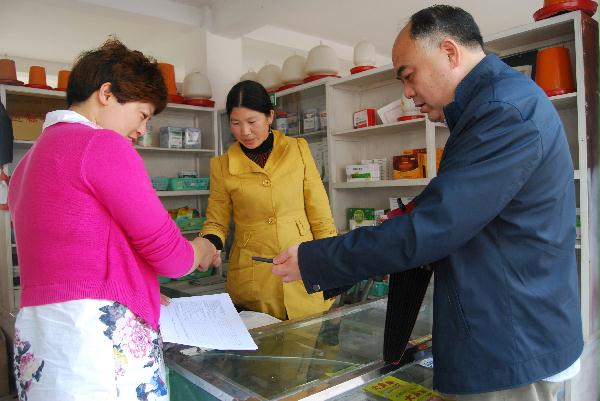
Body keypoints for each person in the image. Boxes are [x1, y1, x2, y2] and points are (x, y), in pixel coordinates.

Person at [272, 5, 583, 401]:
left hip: (511, 345)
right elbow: (444, 209)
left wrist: (316, 259)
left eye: (409, 75)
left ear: (449, 53)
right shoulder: (494, 104)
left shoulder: (502, 112)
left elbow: (435, 227)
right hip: (510, 330)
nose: (407, 93)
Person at [8, 38, 218, 401]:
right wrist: (199, 249)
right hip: (96, 347)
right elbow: (171, 255)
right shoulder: (101, 145)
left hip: (43, 340)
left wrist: (137, 284)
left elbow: (77, 256)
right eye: (143, 115)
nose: (142, 130)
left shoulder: (27, 164)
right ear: (106, 93)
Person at [201, 80, 336, 320]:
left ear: (270, 116)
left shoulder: (298, 149)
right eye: (235, 123)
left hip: (304, 267)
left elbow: (320, 213)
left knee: (311, 339)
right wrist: (209, 244)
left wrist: (331, 260)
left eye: (252, 122)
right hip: (254, 275)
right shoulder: (222, 166)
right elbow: (216, 221)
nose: (245, 131)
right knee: (260, 341)